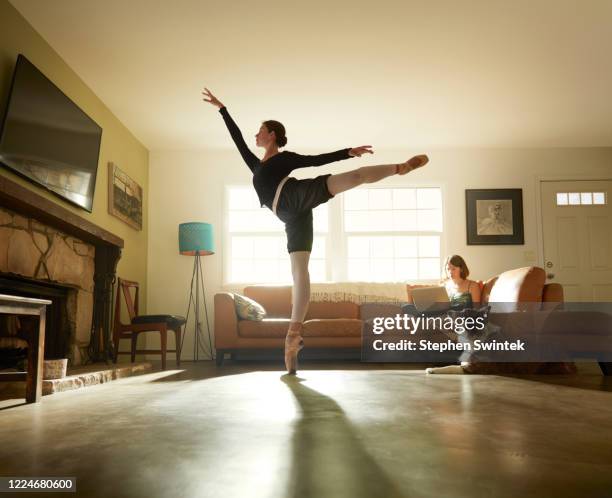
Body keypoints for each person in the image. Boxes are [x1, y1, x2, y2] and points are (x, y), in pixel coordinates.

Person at [202, 87, 429, 374]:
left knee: (353, 178)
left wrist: (348, 152)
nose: (255, 135)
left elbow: (316, 160)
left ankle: (400, 167)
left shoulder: (285, 158)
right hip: (290, 216)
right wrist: (223, 109)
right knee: (299, 272)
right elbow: (236, 139)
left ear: (272, 135)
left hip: (294, 196)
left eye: (260, 130)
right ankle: (293, 336)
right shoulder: (255, 164)